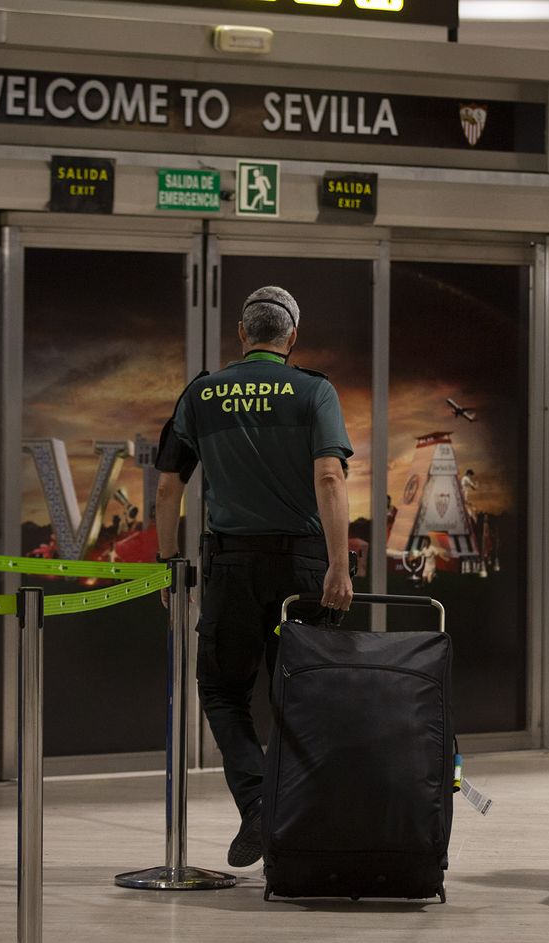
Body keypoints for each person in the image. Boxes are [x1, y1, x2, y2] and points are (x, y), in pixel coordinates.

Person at [152, 285, 355, 870]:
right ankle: (306, 830)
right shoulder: (315, 390)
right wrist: (339, 567)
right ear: (291, 339)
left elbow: (169, 487)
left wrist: (171, 568)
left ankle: (259, 805)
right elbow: (331, 480)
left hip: (232, 566)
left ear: (242, 335)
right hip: (306, 568)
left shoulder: (202, 393)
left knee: (221, 691)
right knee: (308, 695)